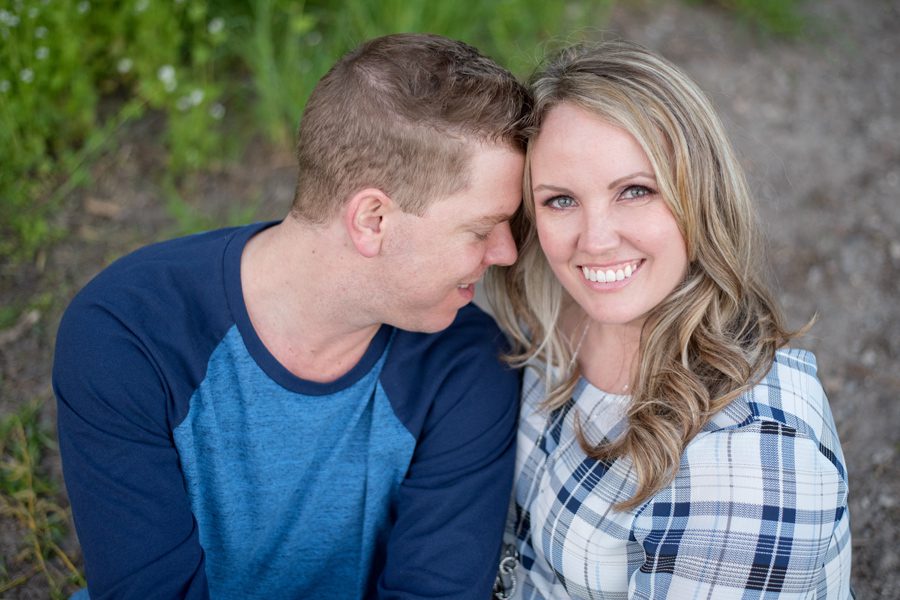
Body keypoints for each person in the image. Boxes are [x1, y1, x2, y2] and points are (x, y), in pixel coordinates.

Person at [53, 33, 530, 599]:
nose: (506, 253)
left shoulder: (467, 362)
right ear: (373, 219)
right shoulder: (130, 332)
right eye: (481, 229)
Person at [486, 40, 852, 599]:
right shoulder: (549, 315)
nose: (596, 240)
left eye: (635, 191)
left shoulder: (750, 465)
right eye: (561, 200)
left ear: (698, 195)